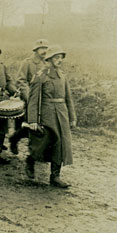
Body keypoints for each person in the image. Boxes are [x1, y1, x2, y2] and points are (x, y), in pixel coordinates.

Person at [25, 45, 76, 188]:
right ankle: (31, 160)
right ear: (49, 59)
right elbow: (33, 100)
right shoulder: (40, 76)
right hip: (47, 114)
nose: (59, 60)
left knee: (61, 144)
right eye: (56, 57)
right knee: (44, 142)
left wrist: (72, 117)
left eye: (61, 58)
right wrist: (33, 120)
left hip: (62, 113)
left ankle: (55, 176)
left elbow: (68, 98)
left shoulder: (63, 76)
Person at [9, 39, 49, 154]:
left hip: (43, 99)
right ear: (35, 50)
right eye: (42, 48)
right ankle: (14, 140)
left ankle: (38, 150)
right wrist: (29, 97)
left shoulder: (46, 63)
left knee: (41, 125)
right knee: (27, 125)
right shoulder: (27, 63)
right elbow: (21, 81)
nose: (44, 51)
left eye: (46, 48)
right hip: (29, 99)